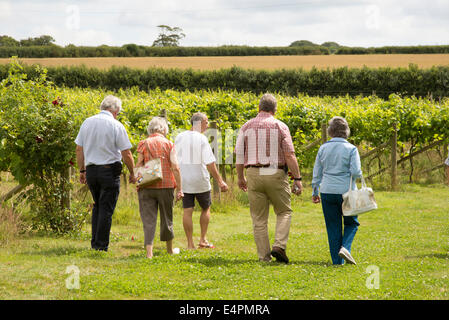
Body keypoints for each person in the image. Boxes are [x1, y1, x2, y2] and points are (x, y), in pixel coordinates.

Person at [235, 93, 303, 264]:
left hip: (253, 173)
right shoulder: (280, 126)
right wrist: (297, 178)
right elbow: (289, 155)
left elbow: (239, 156)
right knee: (284, 211)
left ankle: (264, 257)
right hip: (274, 172)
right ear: (275, 110)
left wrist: (240, 177)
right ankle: (279, 245)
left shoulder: (246, 126)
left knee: (259, 218)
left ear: (259, 108)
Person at [75, 95, 136, 251]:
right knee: (106, 208)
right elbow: (126, 152)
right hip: (108, 171)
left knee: (97, 206)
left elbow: (79, 149)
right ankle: (101, 246)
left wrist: (82, 169)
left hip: (91, 171)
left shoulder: (87, 122)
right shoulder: (115, 125)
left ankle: (95, 242)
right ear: (115, 111)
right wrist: (132, 172)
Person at [311, 116, 362, 265]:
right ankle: (345, 247)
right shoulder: (351, 149)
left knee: (333, 226)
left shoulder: (323, 148)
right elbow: (356, 172)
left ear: (330, 131)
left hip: (327, 190)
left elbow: (317, 173)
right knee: (351, 223)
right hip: (347, 191)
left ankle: (337, 261)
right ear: (346, 132)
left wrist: (315, 191)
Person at [175, 112, 228, 250]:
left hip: (185, 180)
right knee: (206, 208)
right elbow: (210, 163)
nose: (208, 125)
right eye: (206, 122)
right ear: (199, 123)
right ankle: (203, 239)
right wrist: (220, 181)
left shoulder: (179, 137)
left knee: (187, 211)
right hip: (200, 179)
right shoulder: (201, 138)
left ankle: (190, 244)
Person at [135, 116, 183, 259]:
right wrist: (180, 188)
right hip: (166, 185)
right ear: (163, 129)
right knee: (166, 218)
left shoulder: (143, 143)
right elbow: (175, 167)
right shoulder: (169, 144)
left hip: (146, 185)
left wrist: (138, 181)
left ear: (151, 129)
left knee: (148, 220)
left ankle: (149, 253)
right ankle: (169, 250)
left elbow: (138, 164)